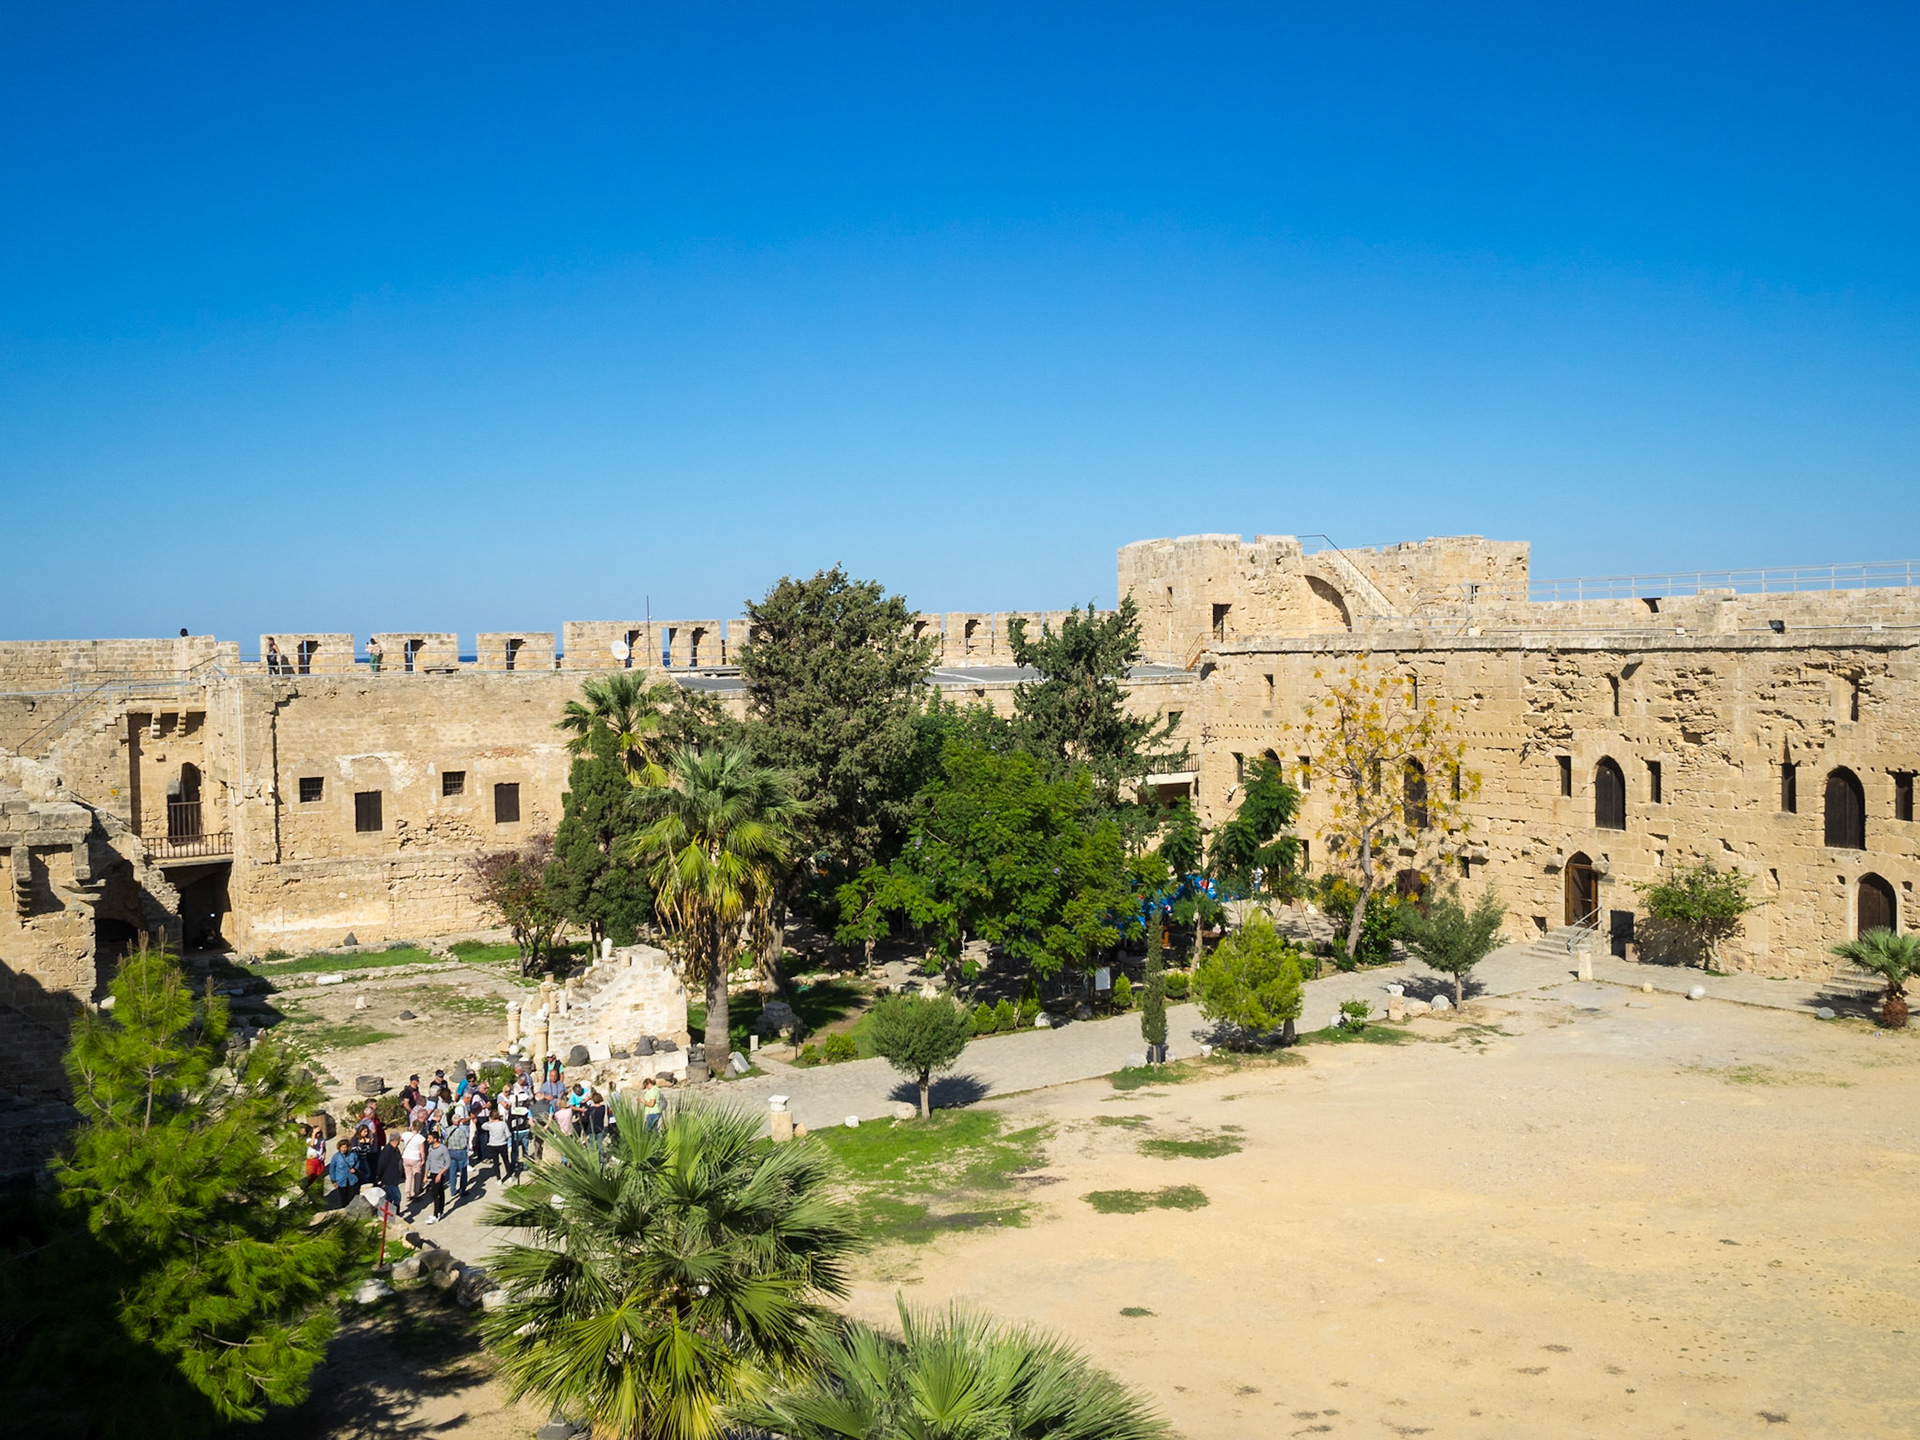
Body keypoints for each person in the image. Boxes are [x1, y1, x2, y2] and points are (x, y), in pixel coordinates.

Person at [421, 1131, 452, 1224]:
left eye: (429, 1138)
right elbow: (428, 1161)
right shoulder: (430, 1148)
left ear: (435, 1139)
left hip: (439, 1173)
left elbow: (448, 1163)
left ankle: (436, 1214)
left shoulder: (443, 1149)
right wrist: (425, 1175)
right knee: (440, 1192)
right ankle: (440, 1212)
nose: (428, 1140)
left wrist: (440, 1174)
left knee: (435, 1194)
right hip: (433, 1173)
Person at [373, 1133, 405, 1214]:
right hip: (388, 1178)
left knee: (389, 1198)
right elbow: (381, 1164)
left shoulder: (395, 1149)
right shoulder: (387, 1151)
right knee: (396, 1197)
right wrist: (378, 1176)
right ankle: (394, 1215)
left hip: (394, 1178)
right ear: (396, 1140)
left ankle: (388, 1216)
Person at [444, 1112, 472, 1199]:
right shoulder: (461, 1131)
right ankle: (462, 1190)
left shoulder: (447, 1130)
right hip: (460, 1152)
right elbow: (464, 1143)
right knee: (463, 1171)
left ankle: (452, 1190)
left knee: (452, 1171)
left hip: (450, 1151)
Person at [400, 1123, 427, 1207]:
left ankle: (407, 1193)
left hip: (406, 1157)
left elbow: (400, 1139)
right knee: (417, 1176)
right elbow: (422, 1151)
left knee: (408, 1176)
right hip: (415, 1158)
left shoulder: (405, 1134)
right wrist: (423, 1159)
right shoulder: (420, 1138)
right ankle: (416, 1193)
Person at [326, 1139, 358, 1210]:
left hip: (351, 1179)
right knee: (343, 1197)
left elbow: (357, 1162)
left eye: (345, 1147)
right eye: (342, 1147)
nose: (343, 1149)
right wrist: (333, 1180)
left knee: (352, 1195)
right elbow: (332, 1169)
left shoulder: (353, 1155)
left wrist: (355, 1169)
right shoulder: (336, 1157)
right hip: (341, 1179)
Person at [484, 1108, 513, 1181]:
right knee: (506, 1160)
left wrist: (489, 1121)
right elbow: (508, 1134)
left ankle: (498, 1179)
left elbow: (483, 1126)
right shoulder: (503, 1123)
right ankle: (509, 1176)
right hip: (503, 1144)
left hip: (493, 1145)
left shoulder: (490, 1125)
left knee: (496, 1162)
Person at [302, 1124, 328, 1193]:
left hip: (320, 1161)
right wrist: (314, 1134)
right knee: (311, 1178)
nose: (318, 1134)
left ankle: (319, 1194)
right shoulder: (309, 1139)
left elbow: (324, 1148)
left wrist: (324, 1154)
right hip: (312, 1160)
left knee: (320, 1178)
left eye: (319, 1132)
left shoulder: (322, 1139)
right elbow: (312, 1144)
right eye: (317, 1133)